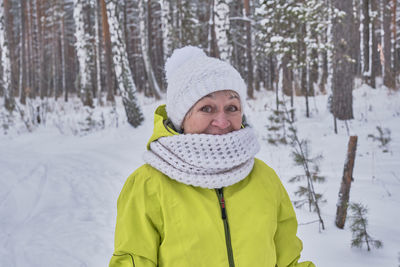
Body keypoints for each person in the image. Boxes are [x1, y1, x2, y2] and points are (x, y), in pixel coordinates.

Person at [109, 46, 315, 267]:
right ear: (181, 117)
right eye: (207, 108)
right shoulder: (147, 185)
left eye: (232, 107)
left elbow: (288, 262)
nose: (222, 120)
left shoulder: (264, 178)